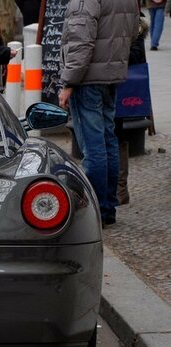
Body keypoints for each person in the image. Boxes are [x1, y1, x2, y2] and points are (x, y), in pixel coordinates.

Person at [58, 0, 139, 227]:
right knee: (107, 140)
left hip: (87, 79)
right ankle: (108, 207)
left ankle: (97, 212)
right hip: (110, 75)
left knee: (94, 147)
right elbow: (132, 32)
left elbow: (80, 41)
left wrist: (68, 83)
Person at [115, 15, 149, 205]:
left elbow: (135, 56)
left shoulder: (134, 26)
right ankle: (115, 189)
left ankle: (120, 189)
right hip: (107, 83)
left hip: (119, 87)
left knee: (117, 136)